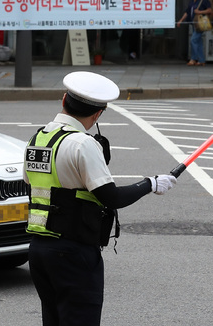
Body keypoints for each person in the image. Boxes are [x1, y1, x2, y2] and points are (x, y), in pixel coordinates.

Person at [24, 71, 177, 326]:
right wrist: (150, 183)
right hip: (74, 252)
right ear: (97, 115)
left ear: (64, 100)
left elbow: (30, 183)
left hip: (40, 250)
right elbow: (110, 196)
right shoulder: (81, 144)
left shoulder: (38, 139)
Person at [177, 0, 212, 66]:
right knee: (198, 42)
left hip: (200, 24)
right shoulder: (192, 1)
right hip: (194, 24)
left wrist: (200, 11)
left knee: (193, 40)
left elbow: (209, 10)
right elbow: (187, 11)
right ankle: (201, 60)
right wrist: (181, 20)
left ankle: (194, 59)